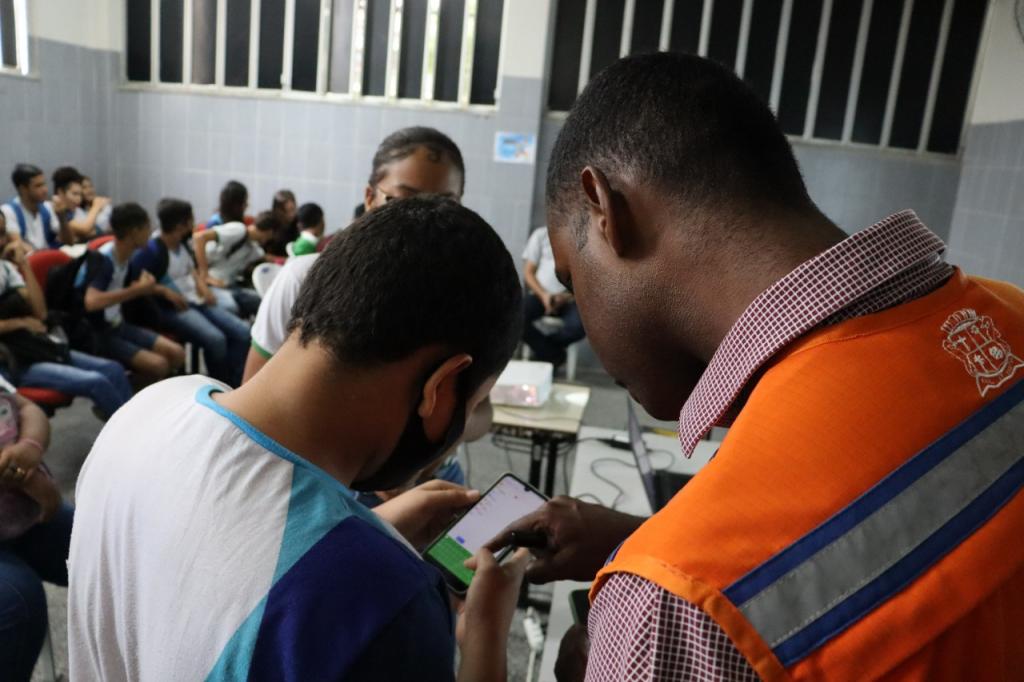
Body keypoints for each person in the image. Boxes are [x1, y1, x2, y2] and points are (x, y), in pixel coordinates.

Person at [490, 53, 1024, 681]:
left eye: (572, 279)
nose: (580, 304)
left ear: (606, 210)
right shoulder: (1009, 312)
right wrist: (633, 537)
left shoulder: (671, 611)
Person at [69, 196, 527, 681]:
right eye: (473, 404)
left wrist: (367, 531)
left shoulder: (148, 407)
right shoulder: (386, 602)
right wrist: (485, 637)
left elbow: (211, 569)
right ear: (440, 387)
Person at [242, 125, 466, 383]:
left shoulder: (460, 300)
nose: (425, 220)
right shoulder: (304, 279)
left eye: (445, 205)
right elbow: (251, 390)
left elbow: (475, 401)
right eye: (404, 200)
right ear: (370, 198)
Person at [0, 213, 132, 418]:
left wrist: (24, 265)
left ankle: (134, 426)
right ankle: (129, 432)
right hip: (13, 360)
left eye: (2, 234)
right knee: (96, 382)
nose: (2, 242)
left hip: (36, 346)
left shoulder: (6, 269)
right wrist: (20, 322)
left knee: (113, 369)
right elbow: (28, 320)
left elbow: (40, 312)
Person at [131, 198, 251, 387]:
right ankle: (220, 386)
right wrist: (163, 291)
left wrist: (202, 285)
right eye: (191, 220)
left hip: (196, 299)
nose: (193, 224)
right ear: (181, 226)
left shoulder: (182, 243)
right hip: (172, 308)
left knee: (243, 332)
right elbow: (133, 283)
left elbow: (191, 269)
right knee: (216, 340)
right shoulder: (151, 251)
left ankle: (236, 382)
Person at [0, 374, 72, 682]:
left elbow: (29, 408)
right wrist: (28, 480)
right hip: (23, 498)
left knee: (109, 550)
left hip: (23, 508)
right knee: (18, 603)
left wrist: (30, 446)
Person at [77, 203, 185, 382]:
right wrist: (136, 291)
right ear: (134, 232)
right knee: (159, 365)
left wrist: (155, 288)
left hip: (118, 324)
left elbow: (132, 286)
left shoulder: (127, 256)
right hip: (97, 331)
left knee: (177, 353)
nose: (151, 232)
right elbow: (92, 301)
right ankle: (130, 394)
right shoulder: (105, 260)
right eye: (147, 227)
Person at [522, 226, 585, 368]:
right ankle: (555, 355)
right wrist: (544, 295)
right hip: (540, 295)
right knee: (516, 317)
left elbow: (588, 278)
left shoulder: (583, 238)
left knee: (580, 327)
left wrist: (566, 296)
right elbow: (528, 273)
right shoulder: (541, 235)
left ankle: (546, 353)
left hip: (570, 299)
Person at [193, 211, 274, 318]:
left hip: (228, 285)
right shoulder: (238, 230)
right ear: (269, 232)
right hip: (208, 282)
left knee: (262, 302)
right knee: (232, 307)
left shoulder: (253, 247)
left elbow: (267, 257)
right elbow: (199, 237)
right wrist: (205, 274)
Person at [2, 164, 72, 252]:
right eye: (38, 186)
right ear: (23, 189)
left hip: (48, 256)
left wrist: (62, 217)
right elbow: (18, 244)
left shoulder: (48, 207)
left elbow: (69, 242)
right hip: (29, 259)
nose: (45, 190)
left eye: (44, 184)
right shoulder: (8, 211)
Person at [265, 188, 299, 257]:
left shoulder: (299, 221)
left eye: (292, 209)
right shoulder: (268, 222)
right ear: (276, 210)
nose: (290, 215)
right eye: (284, 211)